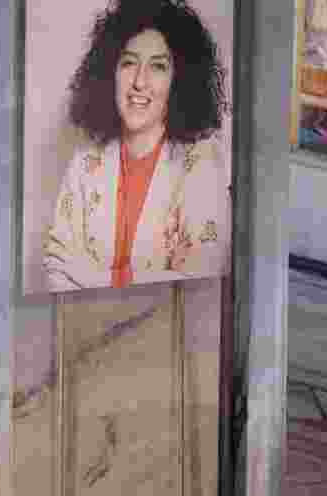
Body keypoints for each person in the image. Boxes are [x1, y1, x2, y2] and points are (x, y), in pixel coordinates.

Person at [44, 0, 230, 292]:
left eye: (158, 66)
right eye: (129, 63)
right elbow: (56, 267)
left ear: (179, 81)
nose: (139, 82)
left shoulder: (202, 161)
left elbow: (199, 278)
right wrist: (157, 274)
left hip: (165, 332)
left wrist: (96, 280)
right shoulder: (84, 161)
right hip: (83, 332)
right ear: (110, 73)